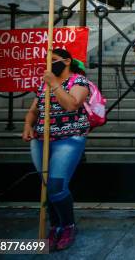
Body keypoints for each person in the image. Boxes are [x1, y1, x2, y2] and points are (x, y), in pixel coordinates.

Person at [22, 49, 90, 251]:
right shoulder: (44, 83)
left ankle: (68, 225)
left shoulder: (79, 82)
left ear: (67, 61)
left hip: (68, 140)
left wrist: (54, 84)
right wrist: (28, 125)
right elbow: (34, 110)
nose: (49, 64)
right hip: (41, 139)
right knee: (46, 186)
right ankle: (54, 226)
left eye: (53, 60)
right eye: (46, 61)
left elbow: (72, 104)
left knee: (56, 186)